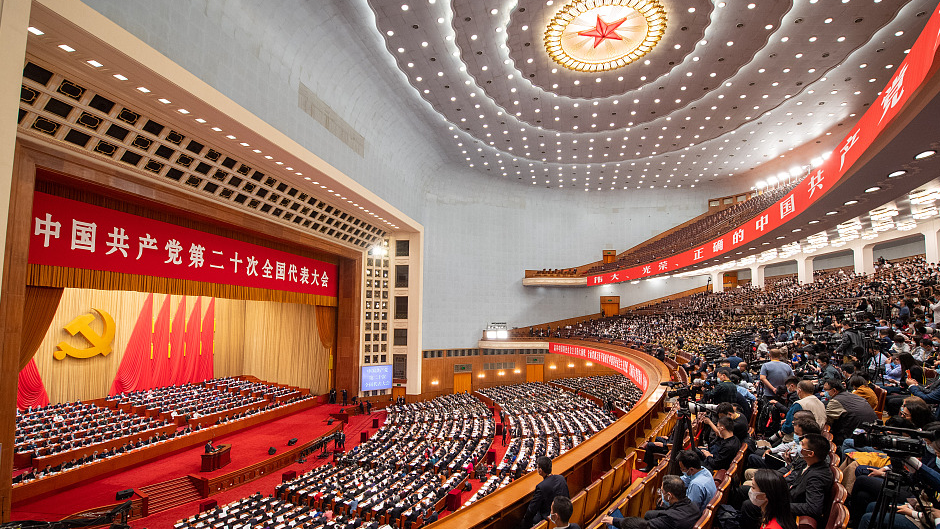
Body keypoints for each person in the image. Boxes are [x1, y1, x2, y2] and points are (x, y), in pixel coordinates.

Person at [522, 456, 570, 528]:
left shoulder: (541, 487)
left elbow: (532, 510)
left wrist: (525, 520)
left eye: (537, 467)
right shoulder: (561, 478)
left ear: (540, 470)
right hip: (565, 514)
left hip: (551, 518)